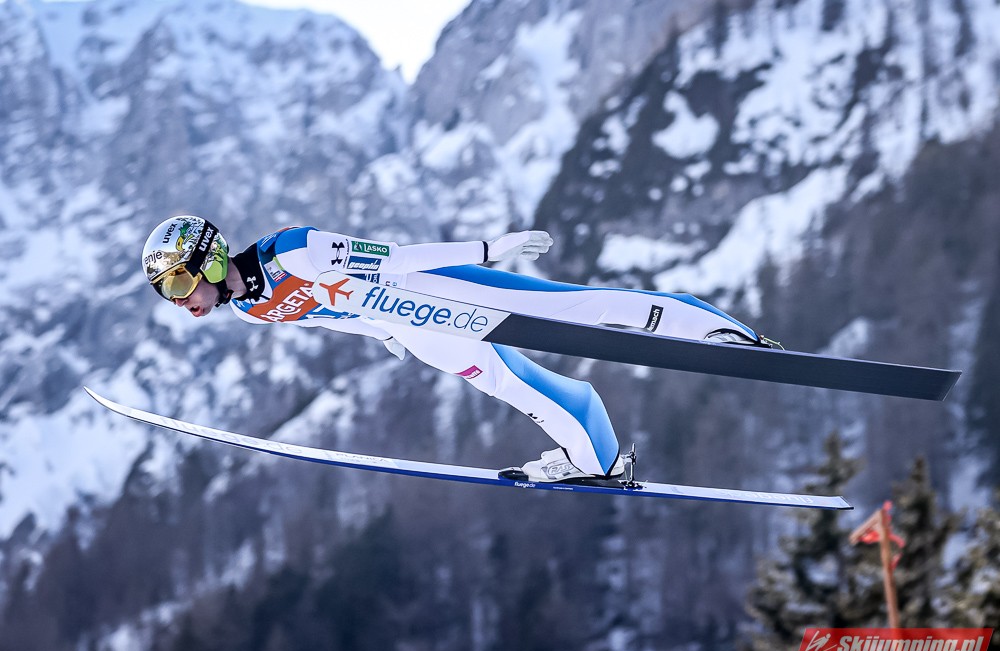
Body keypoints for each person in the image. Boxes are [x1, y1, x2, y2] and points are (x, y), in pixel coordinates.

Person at [141, 215, 771, 483]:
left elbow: (394, 259)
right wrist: (386, 333)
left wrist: (488, 251)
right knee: (508, 384)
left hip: (436, 288)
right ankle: (595, 455)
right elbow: (330, 318)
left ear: (209, 258)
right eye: (166, 292)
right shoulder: (248, 308)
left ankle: (718, 331)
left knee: (574, 310)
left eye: (177, 283)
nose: (179, 301)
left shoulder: (294, 250)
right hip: (416, 327)